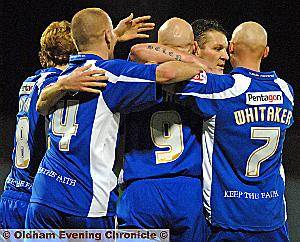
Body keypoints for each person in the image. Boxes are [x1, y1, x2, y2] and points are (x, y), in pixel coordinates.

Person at [25, 8, 206, 229]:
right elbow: (167, 74)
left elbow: (41, 105)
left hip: (44, 195)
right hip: (85, 199)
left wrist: (112, 37)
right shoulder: (109, 75)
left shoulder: (60, 77)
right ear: (107, 36)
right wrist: (196, 62)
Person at [0, 13, 158, 229]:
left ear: (42, 56)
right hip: (39, 193)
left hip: (14, 190)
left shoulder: (29, 84)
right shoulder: (61, 83)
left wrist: (112, 36)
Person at [173, 21, 293, 241]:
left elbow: (167, 76)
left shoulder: (223, 89)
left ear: (231, 48)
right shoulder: (286, 92)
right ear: (265, 52)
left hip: (229, 216)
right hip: (272, 216)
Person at [117, 18, 228, 242]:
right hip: (187, 190)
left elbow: (137, 51)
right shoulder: (206, 83)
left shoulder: (136, 74)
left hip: (142, 187)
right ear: (194, 47)